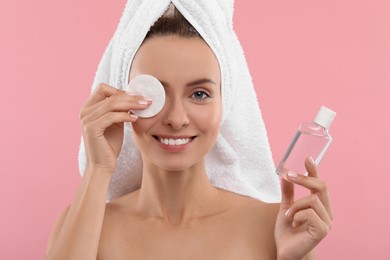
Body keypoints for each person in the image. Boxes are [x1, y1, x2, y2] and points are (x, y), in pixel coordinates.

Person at [46, 4, 332, 260]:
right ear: (123, 98)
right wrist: (99, 167)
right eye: (154, 93)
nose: (176, 118)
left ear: (226, 102)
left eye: (199, 94)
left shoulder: (274, 227)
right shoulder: (85, 227)